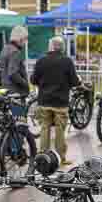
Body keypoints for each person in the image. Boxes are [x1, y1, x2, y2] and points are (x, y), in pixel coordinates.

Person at [31, 36, 82, 166]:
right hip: (61, 102)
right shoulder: (67, 61)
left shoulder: (41, 61)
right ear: (62, 47)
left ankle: (43, 156)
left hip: (44, 101)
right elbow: (74, 82)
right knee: (60, 130)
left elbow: (33, 80)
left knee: (44, 128)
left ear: (51, 47)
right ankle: (61, 158)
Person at [0, 26, 29, 96]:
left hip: (5, 88)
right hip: (15, 91)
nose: (25, 42)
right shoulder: (15, 52)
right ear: (20, 39)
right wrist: (25, 83)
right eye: (25, 39)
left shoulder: (5, 49)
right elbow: (13, 73)